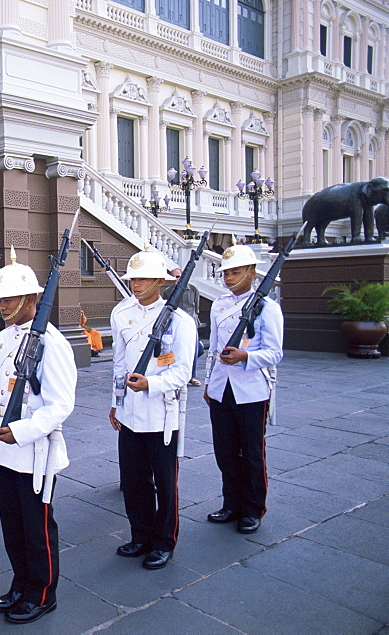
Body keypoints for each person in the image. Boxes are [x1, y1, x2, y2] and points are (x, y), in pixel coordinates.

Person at [0, 248, 75, 625]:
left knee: (36, 529)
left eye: (10, 298)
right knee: (13, 526)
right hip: (5, 451)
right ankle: (20, 583)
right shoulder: (4, 339)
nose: (3, 305)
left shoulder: (52, 343)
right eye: (1, 299)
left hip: (34, 452)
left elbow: (60, 404)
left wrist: (19, 432)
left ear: (33, 299)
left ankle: (42, 592)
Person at [109, 250, 196, 570]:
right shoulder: (121, 313)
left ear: (161, 281)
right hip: (130, 412)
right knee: (133, 480)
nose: (136, 283)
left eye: (143, 278)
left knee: (164, 481)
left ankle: (163, 542)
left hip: (162, 413)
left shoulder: (179, 320)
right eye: (133, 278)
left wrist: (151, 384)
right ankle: (140, 535)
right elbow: (118, 365)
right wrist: (115, 403)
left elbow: (182, 371)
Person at [203, 244, 283, 535]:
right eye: (225, 273)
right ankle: (231, 504)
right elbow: (213, 348)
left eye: (235, 272)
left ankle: (253, 508)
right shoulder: (220, 304)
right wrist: (210, 382)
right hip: (222, 388)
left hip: (251, 390)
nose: (228, 278)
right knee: (224, 451)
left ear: (251, 272)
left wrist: (245, 356)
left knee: (251, 452)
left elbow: (275, 353)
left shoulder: (267, 307)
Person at [165, 265, 202, 386]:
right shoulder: (168, 292)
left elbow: (196, 307)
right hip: (175, 325)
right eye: (174, 277)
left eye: (178, 276)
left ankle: (192, 376)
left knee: (194, 351)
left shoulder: (193, 289)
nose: (176, 279)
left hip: (191, 325)